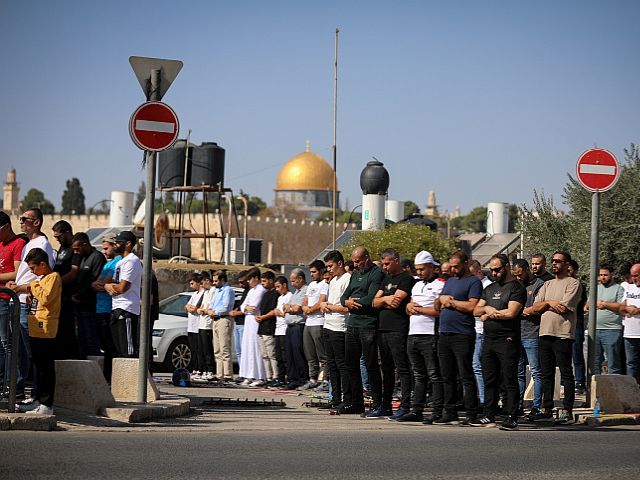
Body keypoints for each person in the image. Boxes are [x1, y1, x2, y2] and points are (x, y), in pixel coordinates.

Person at [471, 254, 526, 431]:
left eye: (497, 269)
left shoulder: (516, 288)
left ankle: (511, 416)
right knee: (489, 378)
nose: (494, 273)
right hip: (489, 339)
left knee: (509, 378)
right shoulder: (489, 288)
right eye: (491, 270)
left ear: (507, 267)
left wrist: (490, 314)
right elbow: (475, 310)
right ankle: (489, 414)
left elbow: (511, 313)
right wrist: (487, 309)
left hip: (508, 339)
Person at [527, 251, 582, 423]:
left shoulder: (573, 284)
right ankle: (547, 408)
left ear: (567, 264)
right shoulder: (547, 284)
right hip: (545, 332)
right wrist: (550, 304)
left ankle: (566, 410)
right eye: (553, 261)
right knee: (546, 373)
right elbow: (535, 307)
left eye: (558, 261)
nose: (554, 264)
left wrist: (544, 306)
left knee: (566, 372)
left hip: (563, 334)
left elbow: (564, 308)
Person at [433, 251, 482, 425]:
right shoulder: (450, 281)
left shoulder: (474, 282)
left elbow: (472, 306)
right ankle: (450, 411)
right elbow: (437, 304)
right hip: (444, 333)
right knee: (447, 375)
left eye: (456, 266)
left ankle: (471, 413)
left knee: (465, 375)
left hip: (462, 334)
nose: (453, 269)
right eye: (451, 266)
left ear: (465, 263)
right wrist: (442, 299)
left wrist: (452, 302)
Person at [11, 248, 61, 415]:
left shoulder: (53, 277)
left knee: (45, 368)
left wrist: (32, 286)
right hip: (36, 327)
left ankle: (47, 404)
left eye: (33, 268)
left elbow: (46, 298)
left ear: (42, 264)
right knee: (38, 367)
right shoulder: (42, 279)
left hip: (45, 329)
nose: (32, 272)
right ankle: (38, 400)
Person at [13, 208, 56, 401]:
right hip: (20, 300)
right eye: (20, 218)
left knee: (35, 355)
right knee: (20, 352)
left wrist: (24, 288)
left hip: (28, 302)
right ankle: (20, 393)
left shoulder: (42, 244)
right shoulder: (28, 244)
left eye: (25, 219)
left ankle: (40, 397)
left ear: (36, 222)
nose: (21, 222)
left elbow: (44, 275)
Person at [397, 251, 445, 423]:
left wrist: (420, 310)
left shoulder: (440, 284)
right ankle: (416, 409)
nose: (419, 272)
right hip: (413, 333)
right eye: (417, 269)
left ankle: (438, 411)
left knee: (434, 374)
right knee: (418, 374)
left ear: (432, 267)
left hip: (429, 335)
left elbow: (439, 311)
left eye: (423, 269)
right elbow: (407, 308)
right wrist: (409, 307)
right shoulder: (416, 285)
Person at [371, 248, 415, 420]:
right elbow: (374, 302)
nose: (385, 267)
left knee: (402, 368)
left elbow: (396, 302)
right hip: (383, 329)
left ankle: (405, 405)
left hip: (398, 329)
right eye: (383, 264)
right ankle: (385, 405)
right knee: (386, 370)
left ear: (396, 260)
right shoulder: (386, 279)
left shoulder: (406, 279)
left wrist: (385, 300)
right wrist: (384, 300)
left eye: (388, 263)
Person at [340, 246, 384, 415]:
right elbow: (345, 296)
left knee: (371, 364)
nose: (355, 264)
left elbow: (372, 298)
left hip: (368, 324)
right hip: (353, 324)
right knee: (350, 364)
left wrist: (354, 304)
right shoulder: (356, 274)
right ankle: (356, 402)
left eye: (358, 261)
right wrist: (346, 303)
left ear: (367, 257)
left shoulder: (376, 273)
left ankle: (377, 402)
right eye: (354, 261)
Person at [511, 259, 545, 421]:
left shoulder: (538, 284)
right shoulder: (516, 286)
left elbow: (537, 308)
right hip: (518, 334)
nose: (518, 278)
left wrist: (519, 310)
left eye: (520, 274)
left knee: (536, 372)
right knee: (518, 373)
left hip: (532, 334)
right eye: (515, 276)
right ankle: (517, 406)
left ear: (526, 270)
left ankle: (536, 407)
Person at [319, 250, 351, 409]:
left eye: (331, 266)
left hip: (340, 327)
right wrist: (325, 306)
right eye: (327, 266)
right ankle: (335, 398)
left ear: (340, 263)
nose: (329, 269)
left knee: (341, 365)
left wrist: (330, 306)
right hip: (328, 325)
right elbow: (329, 302)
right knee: (331, 365)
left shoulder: (347, 279)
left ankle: (347, 399)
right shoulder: (333, 281)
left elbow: (347, 307)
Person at [104, 231, 143, 358]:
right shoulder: (121, 262)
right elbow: (107, 282)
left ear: (128, 244)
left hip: (127, 309)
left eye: (118, 242)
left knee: (128, 351)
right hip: (116, 307)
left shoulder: (131, 261)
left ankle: (131, 378)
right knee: (118, 350)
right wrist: (108, 286)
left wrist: (110, 287)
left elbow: (122, 287)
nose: (115, 245)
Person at [0, 211, 26, 391]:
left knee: (7, 343)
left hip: (7, 299)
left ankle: (12, 384)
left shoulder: (18, 244)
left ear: (7, 227)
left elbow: (17, 273)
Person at [70, 232, 106, 359]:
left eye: (77, 248)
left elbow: (95, 282)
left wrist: (79, 295)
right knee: (82, 339)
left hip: (90, 307)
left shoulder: (97, 258)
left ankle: (96, 369)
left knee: (92, 340)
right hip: (79, 307)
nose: (75, 252)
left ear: (85, 244)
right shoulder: (82, 258)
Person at [91, 233, 120, 381]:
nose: (104, 251)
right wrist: (99, 284)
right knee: (103, 345)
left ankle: (110, 377)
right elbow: (97, 283)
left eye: (106, 248)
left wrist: (101, 284)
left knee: (110, 346)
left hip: (108, 309)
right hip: (100, 307)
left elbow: (105, 283)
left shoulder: (118, 262)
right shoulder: (108, 263)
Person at [586, 265, 624, 374]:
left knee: (613, 363)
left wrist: (605, 304)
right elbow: (587, 306)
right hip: (594, 330)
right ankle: (595, 389)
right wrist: (593, 304)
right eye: (601, 275)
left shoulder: (619, 288)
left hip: (612, 330)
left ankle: (614, 389)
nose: (603, 277)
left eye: (605, 275)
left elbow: (621, 306)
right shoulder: (595, 288)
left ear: (612, 275)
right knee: (594, 362)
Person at [51, 220, 80, 359]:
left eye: (59, 237)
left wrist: (55, 283)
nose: (58, 240)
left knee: (67, 332)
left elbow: (73, 273)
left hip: (68, 297)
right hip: (59, 296)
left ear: (67, 233)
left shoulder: (74, 248)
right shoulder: (62, 249)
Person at [301, 260, 329, 390]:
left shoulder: (325, 283)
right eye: (310, 272)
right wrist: (305, 308)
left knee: (321, 354)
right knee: (310, 353)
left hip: (319, 321)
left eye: (314, 272)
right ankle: (312, 378)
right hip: (308, 322)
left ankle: (324, 380)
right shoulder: (311, 284)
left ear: (321, 271)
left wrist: (310, 310)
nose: (311, 274)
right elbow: (305, 300)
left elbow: (321, 301)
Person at [468, 259, 492, 409]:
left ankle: (484, 400)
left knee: (478, 365)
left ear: (478, 271)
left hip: (481, 330)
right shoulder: (473, 285)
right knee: (472, 366)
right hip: (471, 329)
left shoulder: (487, 286)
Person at [238, 267, 267, 387]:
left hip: (255, 322)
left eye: (250, 279)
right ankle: (248, 375)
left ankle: (260, 376)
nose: (248, 282)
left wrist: (247, 308)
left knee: (256, 348)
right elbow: (243, 306)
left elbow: (253, 307)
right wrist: (246, 308)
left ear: (256, 278)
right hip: (248, 321)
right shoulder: (251, 291)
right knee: (247, 348)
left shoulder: (261, 290)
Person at [207, 270, 236, 381]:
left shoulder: (227, 290)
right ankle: (219, 374)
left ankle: (228, 375)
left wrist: (215, 312)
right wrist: (210, 310)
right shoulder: (217, 291)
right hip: (216, 319)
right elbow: (212, 304)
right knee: (217, 349)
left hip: (224, 319)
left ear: (222, 280)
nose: (214, 283)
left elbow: (226, 306)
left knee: (225, 348)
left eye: (216, 281)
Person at [283, 268, 309, 389]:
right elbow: (287, 307)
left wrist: (290, 308)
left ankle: (301, 378)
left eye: (294, 281)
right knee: (290, 354)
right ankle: (292, 378)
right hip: (290, 326)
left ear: (300, 279)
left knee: (298, 353)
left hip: (298, 325)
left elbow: (297, 308)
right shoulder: (296, 292)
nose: (292, 284)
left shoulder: (305, 290)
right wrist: (289, 308)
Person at [255, 271, 279, 386]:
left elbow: (274, 311)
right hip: (261, 327)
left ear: (271, 280)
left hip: (269, 326)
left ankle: (276, 377)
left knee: (271, 354)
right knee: (264, 355)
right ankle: (268, 377)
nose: (263, 284)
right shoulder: (265, 294)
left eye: (264, 281)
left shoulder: (276, 294)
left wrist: (263, 317)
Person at [567, 259, 587, 395]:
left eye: (569, 270)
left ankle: (580, 382)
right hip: (563, 324)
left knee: (577, 354)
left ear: (575, 271)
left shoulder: (579, 286)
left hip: (576, 324)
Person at [621, 263, 640, 384]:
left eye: (636, 275)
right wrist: (627, 309)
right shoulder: (627, 287)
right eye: (632, 275)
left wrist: (637, 310)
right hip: (629, 333)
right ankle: (631, 391)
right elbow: (621, 305)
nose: (634, 278)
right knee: (631, 364)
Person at [185, 273, 205, 377]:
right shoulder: (194, 294)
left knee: (198, 349)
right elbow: (187, 306)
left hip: (198, 325)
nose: (191, 285)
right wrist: (189, 307)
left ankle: (200, 368)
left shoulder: (203, 294)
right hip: (191, 326)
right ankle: (194, 367)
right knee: (192, 349)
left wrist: (192, 308)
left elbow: (196, 308)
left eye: (192, 283)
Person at [195, 272, 215, 381]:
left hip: (208, 324)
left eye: (202, 282)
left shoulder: (213, 291)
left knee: (208, 349)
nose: (202, 285)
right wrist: (200, 310)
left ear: (207, 280)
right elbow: (201, 306)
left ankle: (210, 370)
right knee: (201, 348)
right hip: (201, 323)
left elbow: (209, 307)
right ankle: (203, 370)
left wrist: (203, 310)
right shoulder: (206, 292)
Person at [273, 275, 292, 386]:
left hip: (285, 329)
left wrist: (280, 313)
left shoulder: (290, 296)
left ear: (284, 285)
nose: (277, 289)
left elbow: (286, 312)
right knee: (278, 356)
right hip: (278, 329)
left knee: (285, 356)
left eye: (278, 286)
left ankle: (287, 377)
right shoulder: (280, 298)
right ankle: (280, 378)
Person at [230, 270, 249, 376]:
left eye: (243, 282)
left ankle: (245, 373)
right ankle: (242, 373)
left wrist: (236, 312)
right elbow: (242, 306)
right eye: (239, 282)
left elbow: (247, 309)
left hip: (244, 323)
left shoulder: (250, 291)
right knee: (238, 351)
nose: (241, 285)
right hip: (237, 323)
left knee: (244, 350)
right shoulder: (244, 292)